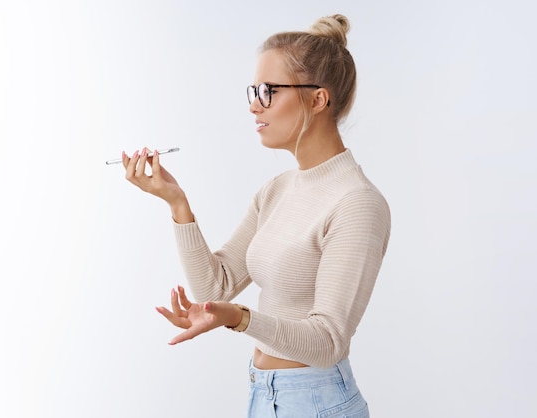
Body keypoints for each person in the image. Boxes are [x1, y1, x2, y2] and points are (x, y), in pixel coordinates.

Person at [121, 13, 390, 418]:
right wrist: (178, 204)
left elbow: (328, 341)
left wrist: (240, 318)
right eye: (254, 90)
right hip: (263, 396)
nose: (253, 105)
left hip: (317, 402)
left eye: (268, 91)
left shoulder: (357, 203)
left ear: (318, 99)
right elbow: (217, 288)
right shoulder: (277, 189)